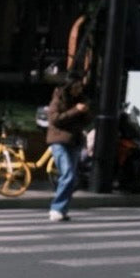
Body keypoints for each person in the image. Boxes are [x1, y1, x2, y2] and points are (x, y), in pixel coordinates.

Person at [46, 72, 93, 220]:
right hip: (59, 141)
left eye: (80, 87)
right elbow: (55, 119)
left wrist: (85, 112)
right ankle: (56, 209)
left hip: (75, 141)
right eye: (76, 87)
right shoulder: (58, 99)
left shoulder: (81, 100)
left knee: (72, 178)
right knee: (68, 175)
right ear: (69, 87)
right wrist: (75, 110)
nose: (79, 90)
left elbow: (86, 121)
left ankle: (62, 210)